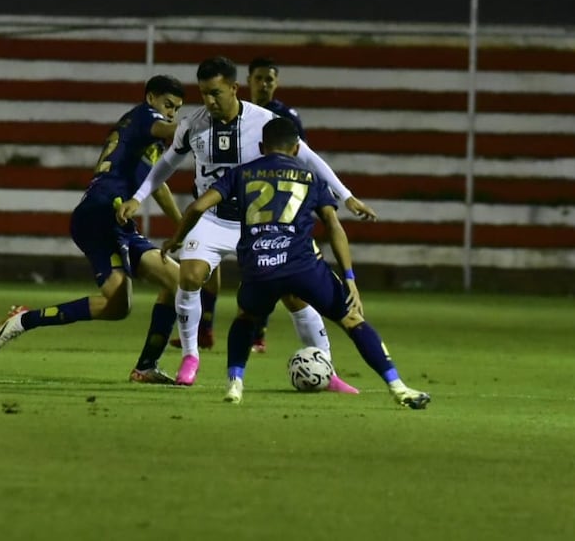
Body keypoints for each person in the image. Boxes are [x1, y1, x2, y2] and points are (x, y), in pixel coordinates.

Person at [117, 56, 377, 389]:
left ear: (233, 88)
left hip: (257, 223)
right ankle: (191, 357)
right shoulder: (192, 125)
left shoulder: (265, 121)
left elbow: (310, 157)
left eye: (215, 93)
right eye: (203, 94)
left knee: (295, 295)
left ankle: (328, 371)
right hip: (211, 219)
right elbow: (165, 166)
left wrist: (347, 196)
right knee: (190, 276)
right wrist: (138, 198)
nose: (209, 101)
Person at [162, 117, 431, 408]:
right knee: (352, 319)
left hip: (258, 267)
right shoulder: (309, 176)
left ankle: (235, 385)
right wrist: (349, 276)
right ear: (295, 149)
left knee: (246, 319)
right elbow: (332, 225)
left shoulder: (241, 173)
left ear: (262, 147)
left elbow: (198, 206)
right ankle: (399, 387)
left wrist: (177, 238)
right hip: (302, 266)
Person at [0, 74, 186, 384]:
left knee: (165, 287)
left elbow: (158, 186)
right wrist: (200, 126)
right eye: (167, 105)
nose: (171, 113)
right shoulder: (145, 116)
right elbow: (167, 130)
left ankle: (145, 367)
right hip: (101, 212)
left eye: (177, 109)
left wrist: (182, 227)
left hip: (117, 219)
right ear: (151, 99)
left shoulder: (148, 141)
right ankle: (24, 320)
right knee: (127, 296)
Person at [167, 56, 306, 354]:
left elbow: (298, 159)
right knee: (202, 268)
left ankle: (259, 333)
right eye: (260, 78)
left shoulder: (278, 118)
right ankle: (204, 330)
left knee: (272, 275)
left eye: (270, 79)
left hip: (259, 212)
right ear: (248, 81)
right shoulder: (207, 121)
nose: (265, 84)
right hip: (217, 213)